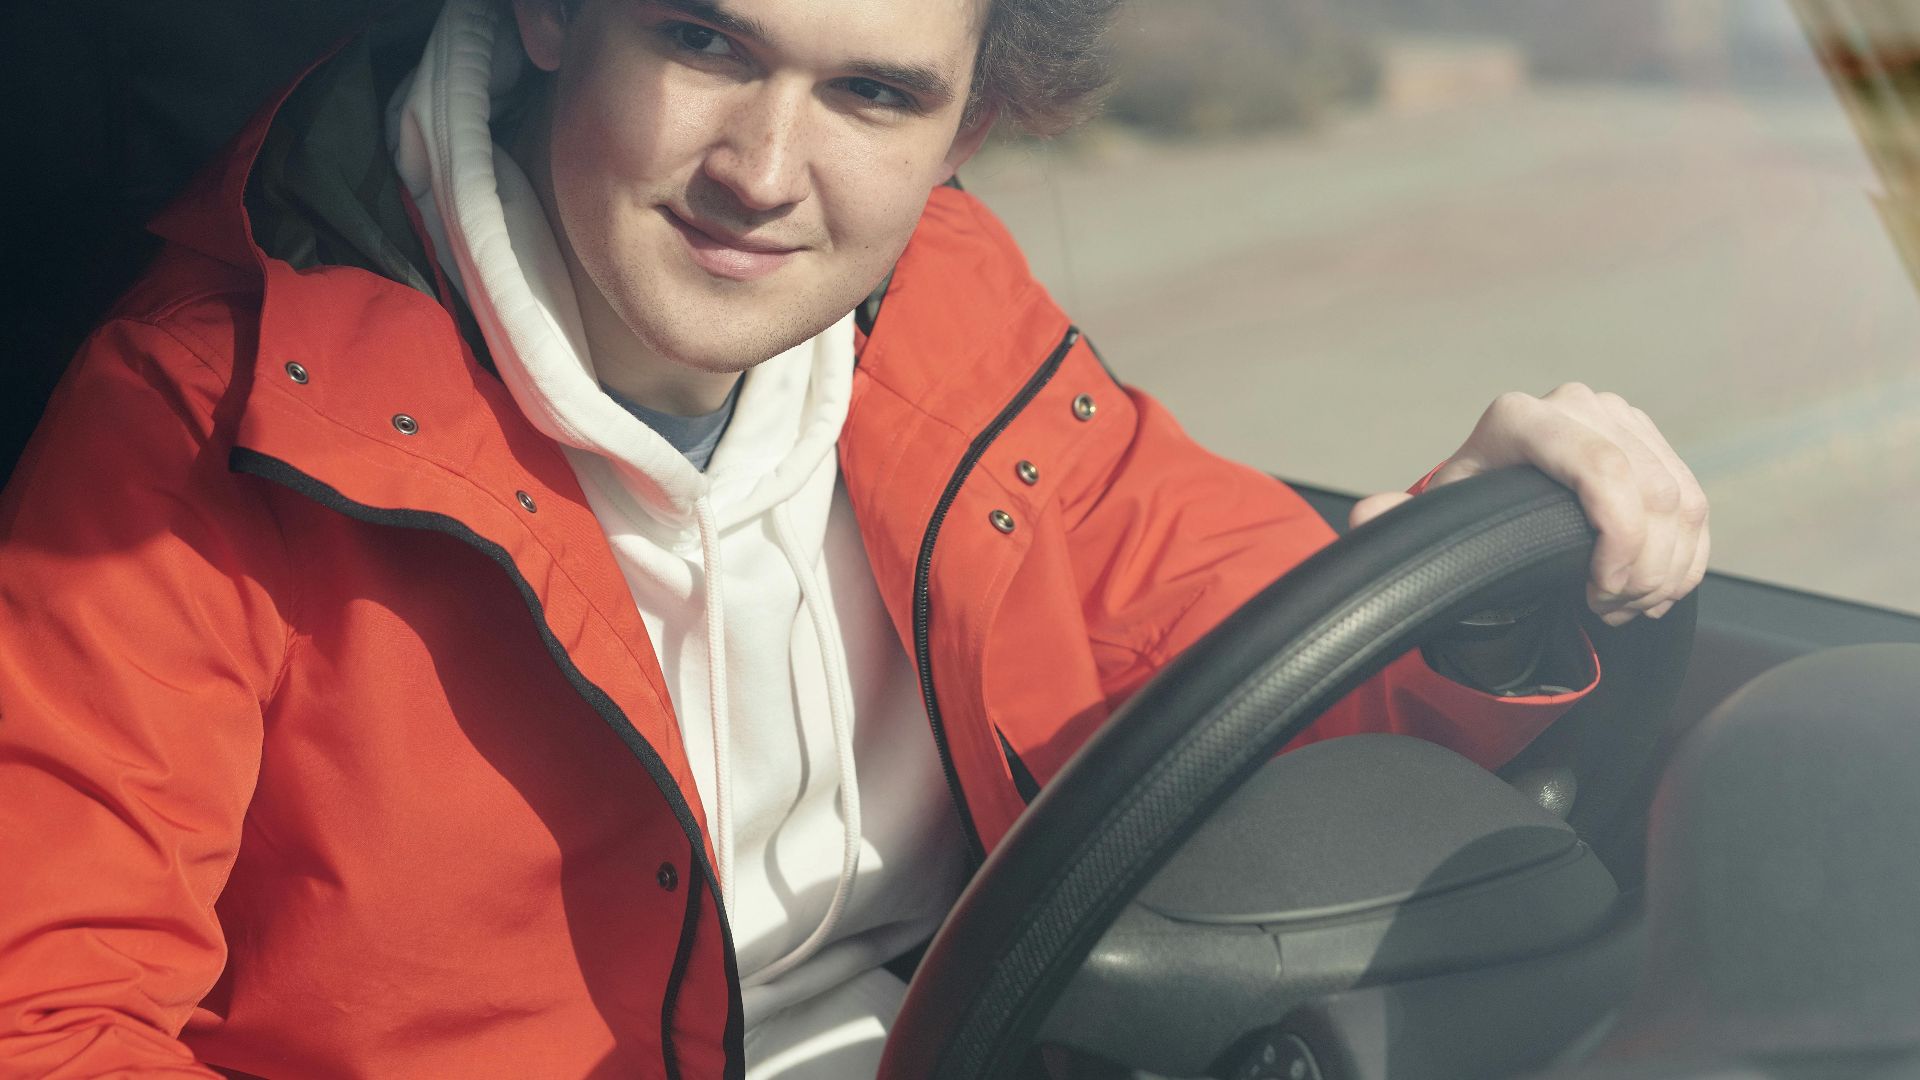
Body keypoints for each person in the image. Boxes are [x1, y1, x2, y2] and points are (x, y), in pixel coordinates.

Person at [0, 0, 1708, 1075]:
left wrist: (1472, 603)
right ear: (545, 16)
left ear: (963, 127)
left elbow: (1252, 689)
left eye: (874, 95)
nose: (765, 170)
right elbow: (43, 1015)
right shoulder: (198, 424)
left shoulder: (946, 302)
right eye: (707, 41)